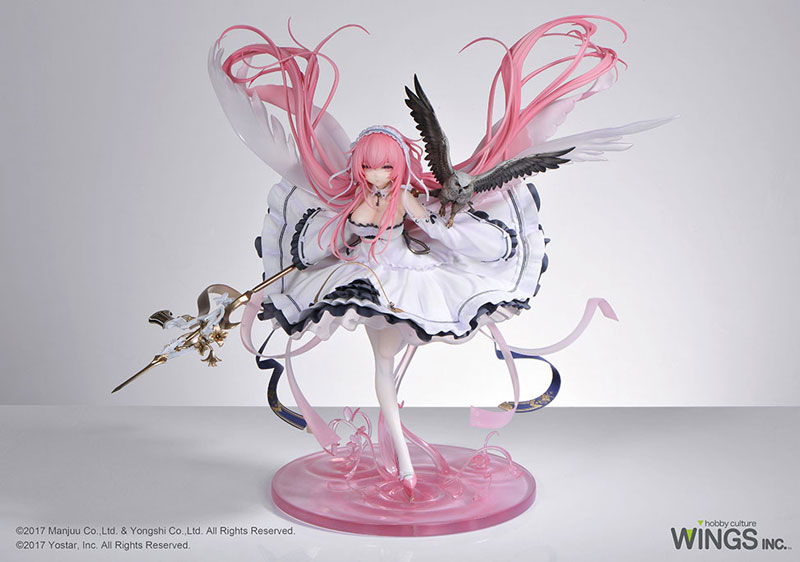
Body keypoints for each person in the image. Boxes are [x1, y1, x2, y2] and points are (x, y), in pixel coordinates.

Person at [209, 15, 658, 494]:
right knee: (383, 366)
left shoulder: (403, 197)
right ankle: (401, 460)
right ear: (358, 166)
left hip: (407, 277)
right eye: (369, 166)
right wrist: (310, 257)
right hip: (360, 279)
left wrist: (445, 226)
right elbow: (334, 238)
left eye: (385, 167)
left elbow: (431, 228)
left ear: (399, 166)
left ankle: (400, 458)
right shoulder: (357, 200)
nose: (377, 175)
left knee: (389, 362)